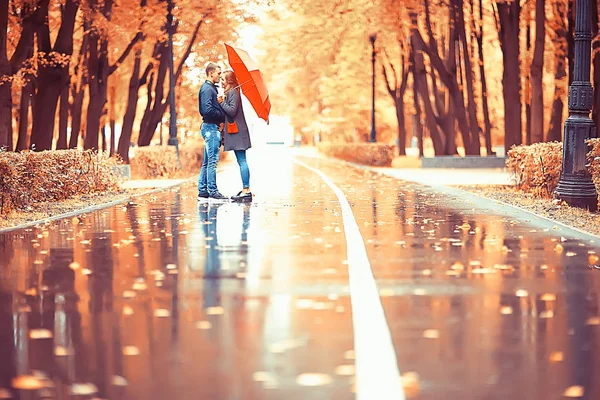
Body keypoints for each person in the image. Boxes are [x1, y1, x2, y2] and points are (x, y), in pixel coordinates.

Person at [219, 69, 253, 203]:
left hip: (238, 132)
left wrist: (221, 102)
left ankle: (246, 191)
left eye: (223, 80)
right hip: (238, 131)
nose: (221, 82)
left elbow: (232, 111)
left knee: (242, 161)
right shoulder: (232, 92)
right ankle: (246, 190)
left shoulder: (233, 92)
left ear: (229, 81)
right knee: (241, 160)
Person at [198, 62, 227, 201]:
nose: (220, 76)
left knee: (207, 161)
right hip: (210, 128)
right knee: (212, 162)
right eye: (219, 73)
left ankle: (203, 190)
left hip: (210, 128)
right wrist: (222, 114)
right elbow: (206, 110)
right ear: (211, 73)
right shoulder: (207, 89)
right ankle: (213, 191)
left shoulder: (211, 89)